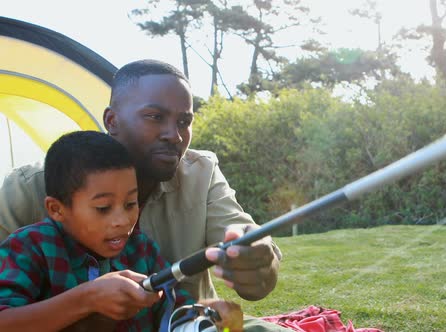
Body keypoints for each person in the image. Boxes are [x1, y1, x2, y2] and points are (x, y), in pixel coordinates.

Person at [0, 60, 288, 331]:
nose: (174, 135)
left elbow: (247, 275)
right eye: (155, 116)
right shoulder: (28, 190)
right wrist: (84, 300)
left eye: (184, 121)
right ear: (112, 121)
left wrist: (255, 257)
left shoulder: (198, 179)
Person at [0, 131, 243, 331]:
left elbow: (176, 310)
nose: (122, 220)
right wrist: (87, 299)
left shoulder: (142, 250)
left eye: (130, 204)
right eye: (103, 208)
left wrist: (207, 315)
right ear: (56, 209)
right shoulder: (29, 247)